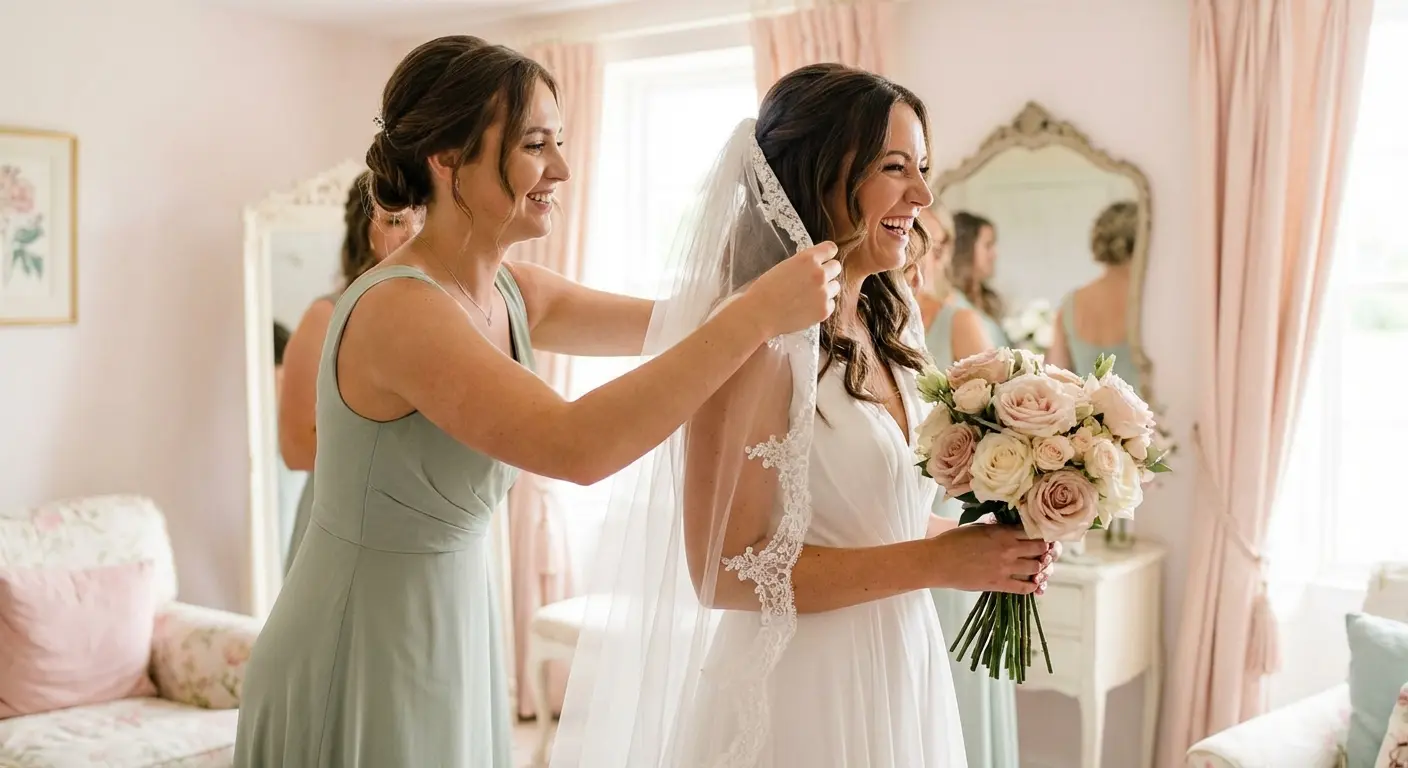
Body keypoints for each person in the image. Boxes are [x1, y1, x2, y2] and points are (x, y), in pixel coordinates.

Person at [232, 36, 840, 768]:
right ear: (447, 156)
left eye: (560, 142)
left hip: (453, 628)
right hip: (358, 638)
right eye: (534, 145)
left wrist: (799, 231)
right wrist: (753, 317)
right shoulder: (400, 310)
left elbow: (681, 323)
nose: (561, 169)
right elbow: (576, 446)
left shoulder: (513, 292)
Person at [552, 64, 1057, 768]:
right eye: (895, 167)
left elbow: (863, 521)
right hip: (804, 691)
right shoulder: (754, 339)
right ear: (824, 174)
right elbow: (724, 572)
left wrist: (986, 549)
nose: (923, 194)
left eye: (923, 168)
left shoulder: (893, 319)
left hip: (899, 660)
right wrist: (933, 560)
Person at [913, 201, 1021, 767]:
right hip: (901, 518)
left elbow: (998, 433)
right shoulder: (878, 320)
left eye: (929, 249)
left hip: (950, 512)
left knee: (956, 681)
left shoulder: (957, 320)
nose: (920, 261)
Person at [277, 170, 415, 571]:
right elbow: (296, 448)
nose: (411, 234)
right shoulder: (325, 317)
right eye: (394, 221)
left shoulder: (448, 318)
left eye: (421, 219)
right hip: (344, 524)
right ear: (363, 231)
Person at [1046, 200, 1143, 389]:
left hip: (1093, 418)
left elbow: (1055, 380)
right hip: (1150, 417)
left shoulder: (1071, 304)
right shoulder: (1147, 301)